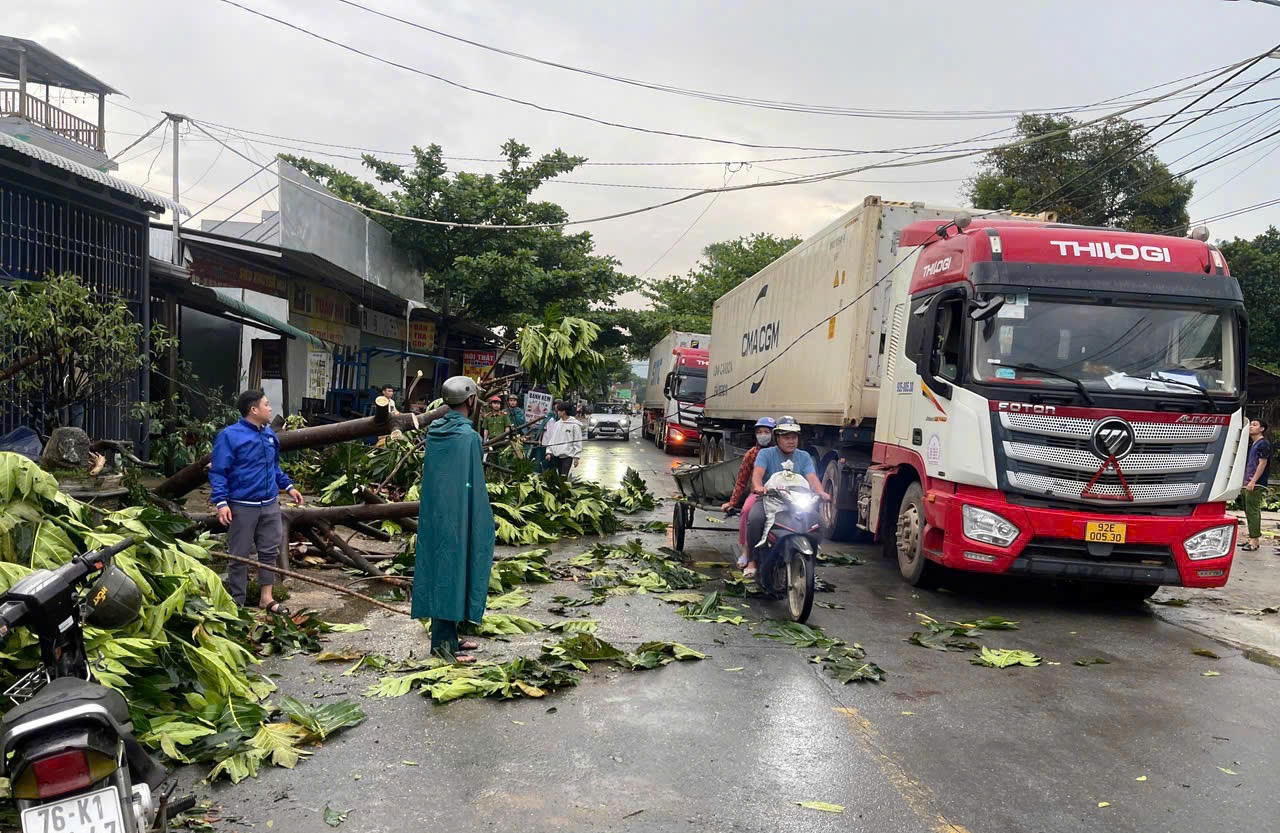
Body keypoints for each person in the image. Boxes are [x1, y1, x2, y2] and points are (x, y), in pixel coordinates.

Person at [412, 376, 496, 663]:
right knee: (454, 571)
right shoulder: (468, 437)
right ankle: (442, 648)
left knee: (442, 571)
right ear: (471, 400)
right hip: (459, 515)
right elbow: (473, 482)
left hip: (436, 514)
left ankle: (449, 637)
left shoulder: (435, 432)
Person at [209, 389, 304, 613]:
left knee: (269, 551)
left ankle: (266, 598)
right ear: (254, 409)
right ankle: (237, 603)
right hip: (242, 505)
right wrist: (221, 502)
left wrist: (289, 487)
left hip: (269, 504)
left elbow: (274, 467)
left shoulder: (269, 435)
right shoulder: (230, 436)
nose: (270, 408)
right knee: (239, 555)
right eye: (267, 404)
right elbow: (219, 471)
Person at [743, 416, 831, 578]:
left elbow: (812, 478)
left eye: (794, 437)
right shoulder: (766, 454)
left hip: (796, 501)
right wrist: (759, 487)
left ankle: (808, 562)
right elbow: (757, 475)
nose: (791, 441)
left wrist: (821, 492)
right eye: (786, 437)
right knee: (755, 520)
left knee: (818, 523)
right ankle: (752, 560)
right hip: (770, 498)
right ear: (777, 438)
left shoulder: (803, 456)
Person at [722, 417, 776, 568]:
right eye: (760, 432)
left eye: (767, 432)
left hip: (780, 495)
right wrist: (733, 502)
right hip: (758, 495)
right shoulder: (752, 454)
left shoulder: (780, 452)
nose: (763, 435)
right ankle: (746, 551)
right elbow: (741, 480)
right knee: (746, 511)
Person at [1241, 418, 1272, 552]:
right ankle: (1252, 538)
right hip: (1248, 482)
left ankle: (1254, 541)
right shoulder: (1252, 445)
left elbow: (1262, 463)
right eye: (1251, 425)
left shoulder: (1263, 444)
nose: (1251, 427)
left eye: (1254, 425)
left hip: (1256, 483)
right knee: (1248, 510)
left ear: (1262, 429)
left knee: (1253, 511)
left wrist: (1253, 481)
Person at [545, 400, 584, 477]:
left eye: (559, 411)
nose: (558, 412)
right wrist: (548, 452)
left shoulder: (574, 425)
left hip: (567, 456)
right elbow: (552, 439)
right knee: (556, 476)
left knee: (563, 476)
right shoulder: (557, 424)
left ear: (564, 412)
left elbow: (577, 442)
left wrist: (576, 457)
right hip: (556, 455)